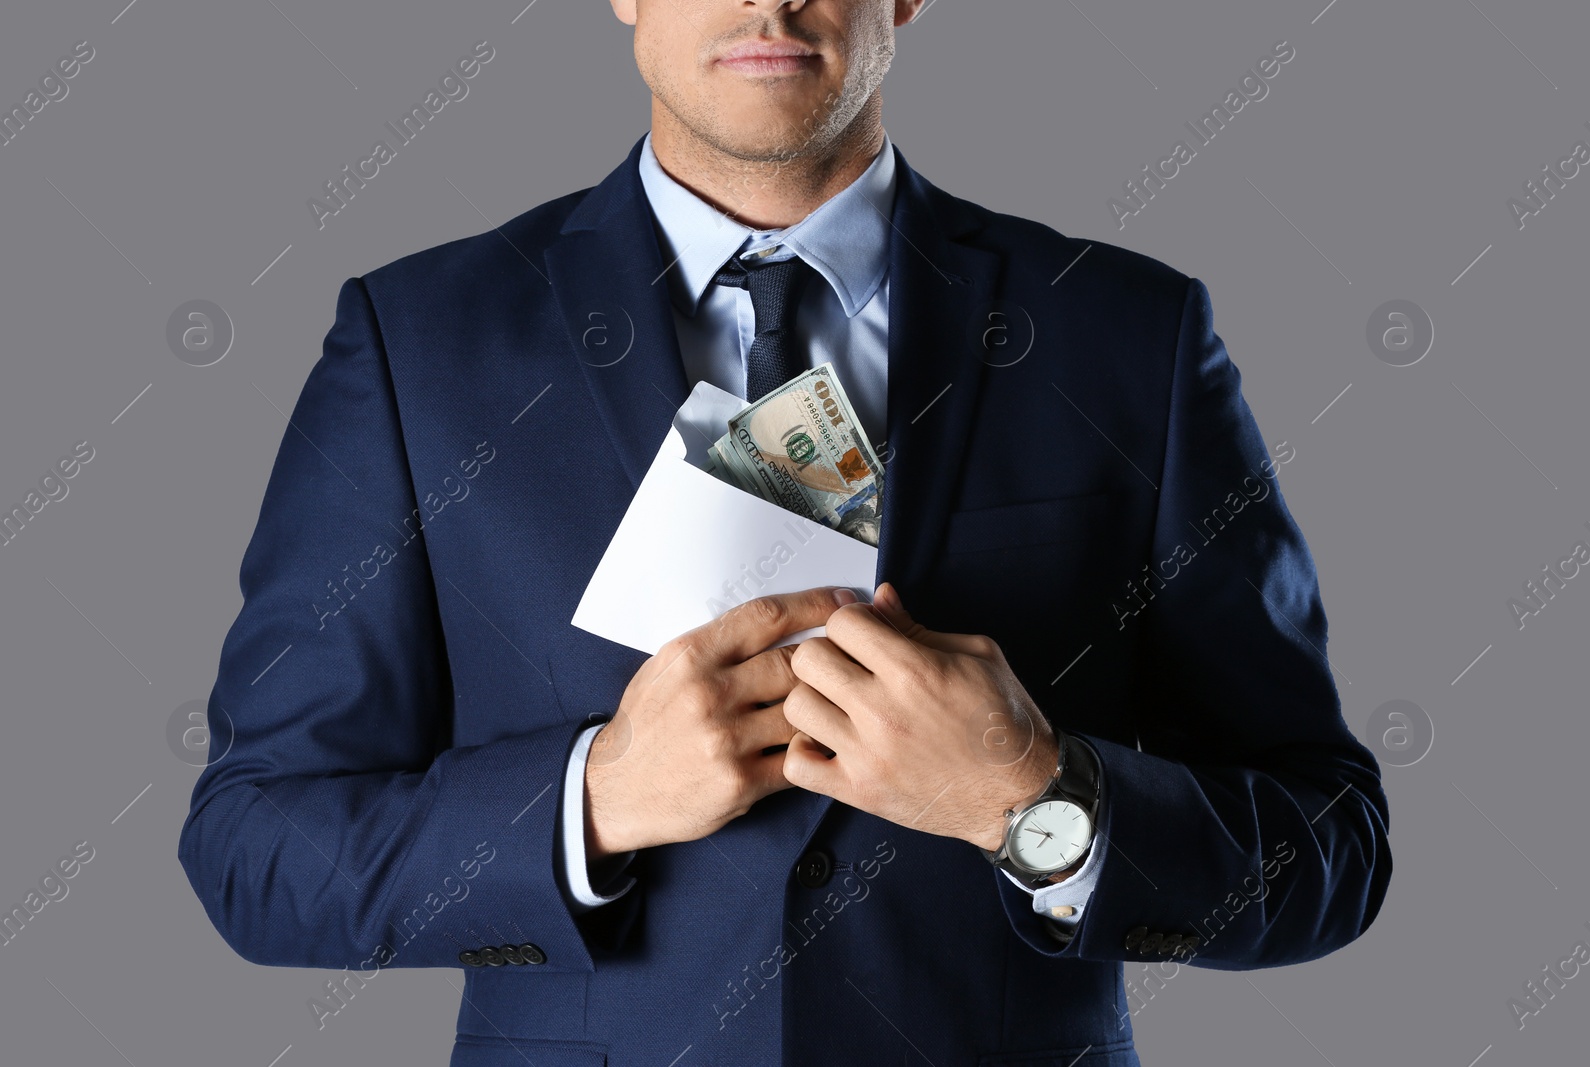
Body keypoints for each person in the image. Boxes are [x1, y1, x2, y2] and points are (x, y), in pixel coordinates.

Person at [178, 1, 1392, 1064]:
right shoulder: (417, 343)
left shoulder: (1128, 334)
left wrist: (1029, 799)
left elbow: (1331, 849)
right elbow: (253, 849)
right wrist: (588, 801)